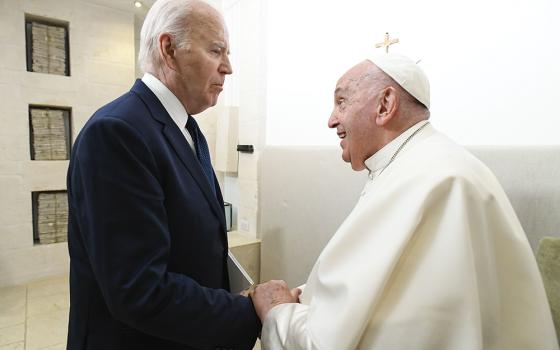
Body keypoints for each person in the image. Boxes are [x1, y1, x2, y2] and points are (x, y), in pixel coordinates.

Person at [250, 54, 559, 349]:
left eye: (341, 101)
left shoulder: (433, 180)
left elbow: (339, 340)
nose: (331, 120)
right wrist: (306, 297)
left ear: (385, 105)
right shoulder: (422, 163)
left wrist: (279, 312)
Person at [66, 1, 260, 349]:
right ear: (169, 50)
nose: (228, 68)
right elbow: (138, 289)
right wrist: (249, 312)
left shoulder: (187, 129)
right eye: (216, 50)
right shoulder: (117, 132)